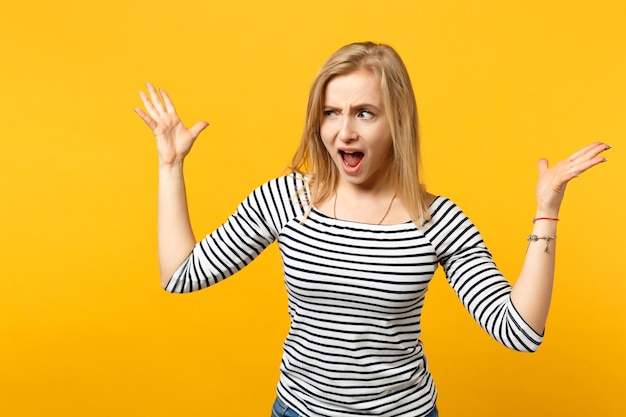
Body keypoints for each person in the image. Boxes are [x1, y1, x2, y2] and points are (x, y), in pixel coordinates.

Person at [134, 42, 610, 417]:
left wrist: (547, 211)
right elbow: (180, 274)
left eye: (364, 112)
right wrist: (171, 166)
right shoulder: (286, 200)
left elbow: (520, 331)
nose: (345, 132)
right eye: (331, 113)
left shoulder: (437, 221)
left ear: (396, 121)